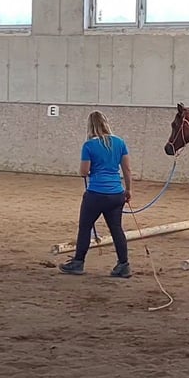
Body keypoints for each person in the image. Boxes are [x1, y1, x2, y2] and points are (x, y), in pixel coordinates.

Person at [58, 110, 132, 278]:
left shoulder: (89, 145)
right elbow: (127, 169)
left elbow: (84, 171)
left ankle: (78, 262)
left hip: (96, 194)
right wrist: (128, 189)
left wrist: (90, 170)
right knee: (116, 229)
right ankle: (124, 264)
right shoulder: (120, 142)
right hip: (116, 193)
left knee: (85, 227)